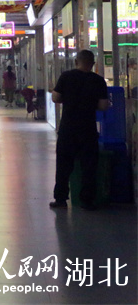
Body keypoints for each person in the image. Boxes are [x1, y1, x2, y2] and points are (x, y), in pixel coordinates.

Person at [49, 50, 110, 210]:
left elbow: (55, 97)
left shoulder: (66, 76)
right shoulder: (98, 80)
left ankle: (61, 199)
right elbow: (103, 106)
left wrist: (67, 100)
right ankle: (87, 200)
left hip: (68, 128)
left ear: (76, 61)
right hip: (88, 129)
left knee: (63, 164)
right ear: (93, 63)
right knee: (89, 165)